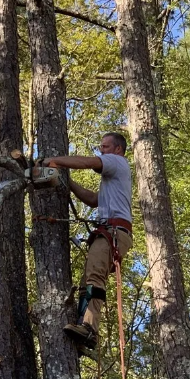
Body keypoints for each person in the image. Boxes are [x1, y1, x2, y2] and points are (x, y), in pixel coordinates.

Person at [41, 132, 133, 350]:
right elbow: (93, 200)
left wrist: (54, 161)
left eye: (105, 147)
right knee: (88, 283)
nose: (102, 151)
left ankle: (90, 327)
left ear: (118, 149)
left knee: (94, 277)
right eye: (101, 147)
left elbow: (87, 162)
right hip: (111, 231)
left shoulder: (117, 162)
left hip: (113, 232)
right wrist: (68, 182)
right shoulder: (112, 181)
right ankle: (85, 327)